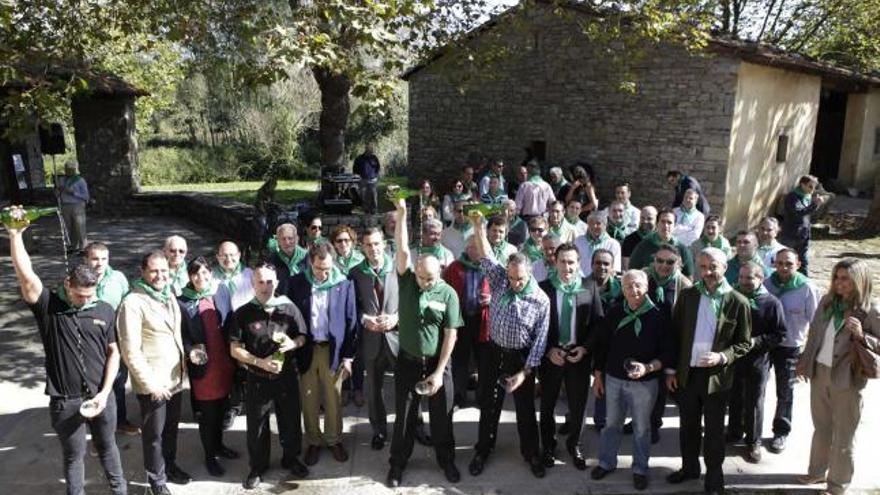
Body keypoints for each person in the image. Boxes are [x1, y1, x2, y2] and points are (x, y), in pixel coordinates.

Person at [7, 218, 127, 495]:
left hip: (102, 397)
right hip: (66, 401)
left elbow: (113, 353)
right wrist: (15, 236)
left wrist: (105, 393)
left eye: (90, 295)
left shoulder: (104, 309)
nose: (85, 301)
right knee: (74, 456)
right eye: (79, 295)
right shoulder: (50, 307)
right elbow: (27, 277)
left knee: (108, 447)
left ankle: (120, 491)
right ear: (67, 285)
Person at [387, 195, 463, 487]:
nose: (423, 282)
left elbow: (451, 334)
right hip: (407, 362)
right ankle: (397, 464)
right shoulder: (408, 280)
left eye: (429, 279)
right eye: (420, 277)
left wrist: (439, 372)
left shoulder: (447, 294)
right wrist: (403, 213)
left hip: (437, 364)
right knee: (405, 419)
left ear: (439, 273)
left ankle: (447, 461)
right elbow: (403, 249)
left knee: (442, 419)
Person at [468, 211, 550, 479]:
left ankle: (531, 454)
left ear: (529, 274)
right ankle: (483, 449)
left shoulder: (540, 300)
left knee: (525, 411)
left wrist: (523, 374)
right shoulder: (501, 279)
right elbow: (485, 256)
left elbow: (539, 343)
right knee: (488, 405)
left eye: (520, 279)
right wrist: (479, 225)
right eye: (512, 278)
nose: (514, 283)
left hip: (521, 360)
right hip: (493, 352)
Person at [666, 247, 751, 495]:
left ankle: (714, 477)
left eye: (713, 266)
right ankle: (689, 468)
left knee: (714, 431)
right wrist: (671, 371)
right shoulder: (689, 296)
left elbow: (745, 343)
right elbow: (675, 334)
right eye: (702, 267)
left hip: (717, 378)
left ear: (724, 267)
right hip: (688, 374)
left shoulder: (738, 301)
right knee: (688, 427)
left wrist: (723, 356)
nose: (708, 272)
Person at [796, 258, 880, 495]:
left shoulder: (870, 309)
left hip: (848, 378)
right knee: (821, 427)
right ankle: (816, 472)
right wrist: (804, 363)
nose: (839, 283)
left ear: (859, 280)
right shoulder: (827, 302)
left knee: (844, 433)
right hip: (820, 372)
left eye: (845, 278)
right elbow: (814, 335)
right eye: (836, 277)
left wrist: (863, 335)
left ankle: (837, 485)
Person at [228, 262, 310, 489]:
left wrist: (293, 343)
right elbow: (234, 349)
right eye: (260, 282)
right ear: (253, 284)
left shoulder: (289, 308)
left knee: (291, 419)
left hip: (286, 377)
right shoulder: (243, 313)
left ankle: (291, 458)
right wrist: (259, 362)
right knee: (257, 425)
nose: (265, 287)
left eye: (270, 281)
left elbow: (303, 336)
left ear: (277, 283)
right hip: (256, 378)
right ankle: (257, 466)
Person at [117, 251, 192, 493]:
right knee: (154, 436)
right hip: (154, 384)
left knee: (171, 428)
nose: (160, 275)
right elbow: (130, 351)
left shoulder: (167, 294)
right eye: (154, 271)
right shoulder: (133, 303)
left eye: (163, 271)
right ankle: (155, 481)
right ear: (143, 272)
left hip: (174, 379)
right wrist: (151, 385)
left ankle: (169, 466)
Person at [591, 270, 672, 491]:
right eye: (628, 286)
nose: (633, 290)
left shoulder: (659, 315)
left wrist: (648, 367)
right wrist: (598, 376)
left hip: (645, 384)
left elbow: (667, 353)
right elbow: (602, 346)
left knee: (642, 428)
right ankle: (607, 463)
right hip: (614, 380)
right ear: (622, 289)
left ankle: (640, 469)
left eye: (637, 285)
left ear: (646, 287)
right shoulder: (615, 312)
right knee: (611, 425)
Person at [287, 242, 357, 466]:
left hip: (332, 351)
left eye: (327, 268)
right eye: (319, 268)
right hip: (306, 349)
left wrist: (348, 357)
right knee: (309, 398)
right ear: (310, 262)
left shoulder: (344, 284)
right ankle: (314, 441)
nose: (323, 273)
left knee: (333, 398)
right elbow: (289, 318)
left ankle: (334, 439)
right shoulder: (297, 283)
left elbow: (351, 322)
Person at [538, 243, 604, 471]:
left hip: (578, 357)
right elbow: (535, 326)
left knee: (578, 406)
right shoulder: (543, 288)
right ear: (555, 262)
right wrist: (548, 349)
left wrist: (585, 348)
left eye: (571, 262)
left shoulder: (589, 287)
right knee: (547, 406)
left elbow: (598, 324)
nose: (567, 267)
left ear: (578, 264)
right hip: (552, 357)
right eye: (563, 261)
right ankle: (547, 445)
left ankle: (574, 443)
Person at [177, 257, 239, 476]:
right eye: (195, 274)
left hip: (224, 363)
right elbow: (181, 335)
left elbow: (231, 320)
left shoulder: (221, 291)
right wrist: (190, 350)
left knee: (223, 409)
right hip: (203, 367)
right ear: (189, 276)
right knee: (208, 415)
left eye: (204, 273)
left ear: (210, 273)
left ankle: (220, 446)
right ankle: (209, 456)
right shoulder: (182, 301)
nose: (200, 278)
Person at [727, 262, 785, 463]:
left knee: (754, 401)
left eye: (750, 278)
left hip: (757, 360)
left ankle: (753, 441)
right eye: (741, 277)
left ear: (760, 278)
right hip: (734, 358)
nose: (744, 281)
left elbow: (779, 334)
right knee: (734, 396)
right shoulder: (732, 297)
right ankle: (734, 431)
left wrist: (756, 342)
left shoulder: (771, 303)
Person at [763, 248, 819, 454]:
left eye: (788, 263)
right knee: (755, 386)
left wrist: (808, 353)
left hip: (790, 347)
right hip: (766, 343)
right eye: (779, 263)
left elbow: (816, 323)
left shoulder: (807, 288)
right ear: (774, 264)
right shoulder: (767, 284)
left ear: (798, 264)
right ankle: (747, 427)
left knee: (785, 391)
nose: (783, 268)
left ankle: (781, 431)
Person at [351, 228, 400, 449]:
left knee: (405, 387)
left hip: (397, 338)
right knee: (374, 389)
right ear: (363, 248)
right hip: (371, 340)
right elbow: (352, 306)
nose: (374, 249)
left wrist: (396, 318)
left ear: (384, 245)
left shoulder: (398, 269)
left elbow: (409, 300)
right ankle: (379, 431)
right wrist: (364, 319)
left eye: (377, 244)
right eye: (369, 245)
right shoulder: (356, 273)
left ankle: (413, 426)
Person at [84, 242, 138, 436]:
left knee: (118, 381)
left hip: (114, 338)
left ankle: (120, 421)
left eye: (103, 258)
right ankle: (98, 432)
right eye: (95, 258)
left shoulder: (118, 278)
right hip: (90, 340)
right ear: (86, 259)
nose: (99, 263)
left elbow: (127, 304)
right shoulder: (79, 279)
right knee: (93, 383)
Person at [640, 245, 691, 442]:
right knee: (640, 385)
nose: (663, 265)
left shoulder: (683, 285)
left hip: (667, 343)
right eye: (660, 260)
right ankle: (638, 420)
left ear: (678, 263)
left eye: (670, 262)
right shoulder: (644, 276)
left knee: (660, 388)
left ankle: (653, 424)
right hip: (643, 339)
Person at [443, 238, 491, 408]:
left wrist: (491, 299)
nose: (473, 251)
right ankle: (458, 396)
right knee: (459, 359)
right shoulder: (455, 267)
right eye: (471, 247)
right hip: (461, 319)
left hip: (483, 319)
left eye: (477, 248)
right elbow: (444, 288)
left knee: (483, 360)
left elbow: (502, 289)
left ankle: (482, 397)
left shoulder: (490, 267)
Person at [629, 207, 695, 277]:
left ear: (674, 226)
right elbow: (632, 272)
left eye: (669, 223)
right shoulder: (644, 246)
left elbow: (689, 277)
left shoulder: (682, 249)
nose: (666, 226)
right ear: (657, 224)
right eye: (663, 222)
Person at [781, 175, 826, 276]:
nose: (812, 190)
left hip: (804, 234)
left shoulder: (807, 197)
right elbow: (798, 213)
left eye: (814, 187)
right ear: (802, 185)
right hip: (791, 234)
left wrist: (816, 205)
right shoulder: (792, 197)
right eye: (810, 186)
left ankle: (804, 283)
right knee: (786, 260)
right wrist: (815, 204)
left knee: (803, 261)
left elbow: (808, 215)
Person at [213, 241, 256, 318]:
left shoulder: (250, 274)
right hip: (222, 324)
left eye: (232, 255)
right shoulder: (210, 276)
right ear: (218, 257)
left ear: (239, 255)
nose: (228, 259)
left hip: (247, 322)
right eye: (224, 255)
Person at [56, 159, 90, 253]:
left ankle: (84, 247)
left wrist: (72, 192)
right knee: (68, 227)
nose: (68, 171)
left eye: (71, 169)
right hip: (65, 205)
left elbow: (86, 196)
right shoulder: (62, 180)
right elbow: (58, 193)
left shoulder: (80, 180)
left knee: (79, 226)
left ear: (75, 169)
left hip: (77, 205)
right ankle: (72, 246)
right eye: (67, 169)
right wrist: (57, 191)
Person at [575, 212, 622, 277]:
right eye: (591, 223)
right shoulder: (579, 241)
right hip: (580, 281)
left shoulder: (613, 244)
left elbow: (614, 269)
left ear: (605, 225)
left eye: (598, 223)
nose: (594, 226)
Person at [266, 223, 308, 295]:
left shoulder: (307, 257)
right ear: (278, 241)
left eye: (290, 238)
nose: (287, 242)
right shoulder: (272, 260)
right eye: (283, 239)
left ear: (297, 239)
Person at [353, 143, 380, 214]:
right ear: (366, 150)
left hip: (372, 180)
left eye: (372, 150)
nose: (371, 151)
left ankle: (374, 210)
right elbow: (355, 169)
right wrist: (358, 177)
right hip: (362, 180)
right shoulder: (359, 158)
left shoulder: (374, 158)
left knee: (373, 196)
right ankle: (366, 210)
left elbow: (378, 167)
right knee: (363, 196)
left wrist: (376, 176)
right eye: (369, 150)